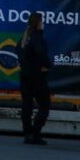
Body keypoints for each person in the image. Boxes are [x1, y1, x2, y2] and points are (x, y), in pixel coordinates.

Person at [18, 11, 51, 145]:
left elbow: (18, 52)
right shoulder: (37, 37)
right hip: (36, 75)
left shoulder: (25, 37)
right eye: (42, 21)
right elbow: (40, 53)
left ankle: (27, 133)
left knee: (27, 104)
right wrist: (47, 65)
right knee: (44, 104)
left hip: (24, 74)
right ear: (38, 23)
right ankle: (36, 133)